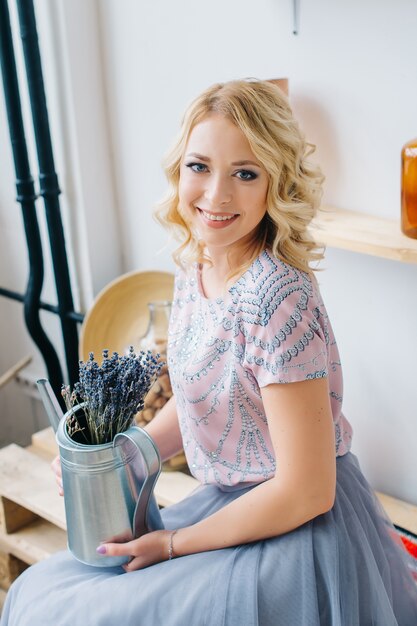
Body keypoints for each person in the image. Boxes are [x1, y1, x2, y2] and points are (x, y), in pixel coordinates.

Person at [2, 79, 417, 626]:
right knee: (43, 594)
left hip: (296, 533)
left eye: (245, 173)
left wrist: (174, 543)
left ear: (277, 184)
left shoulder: (277, 298)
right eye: (200, 166)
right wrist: (124, 456)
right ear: (179, 171)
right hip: (228, 506)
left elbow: (306, 490)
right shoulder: (197, 262)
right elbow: (203, 401)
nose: (216, 195)